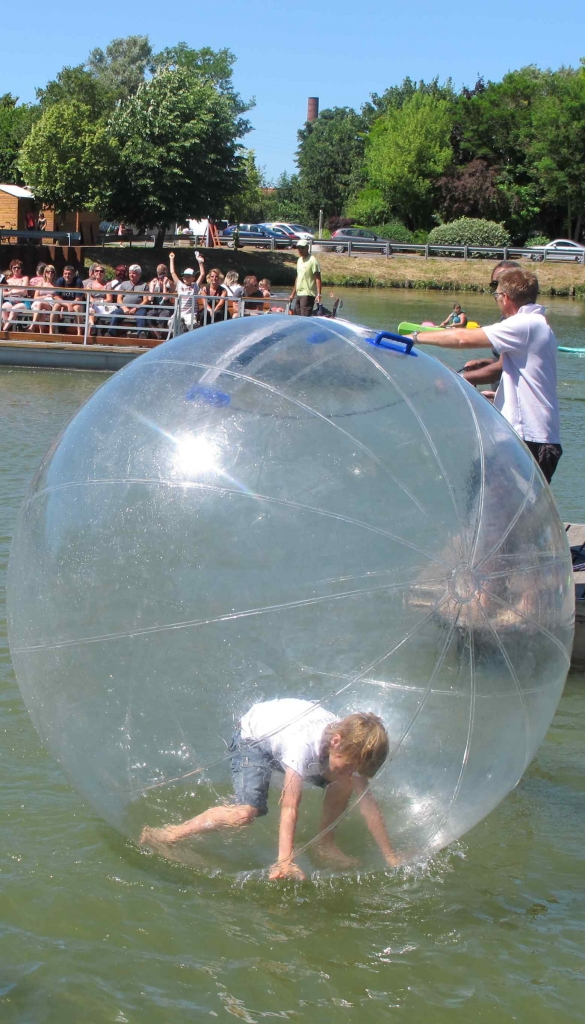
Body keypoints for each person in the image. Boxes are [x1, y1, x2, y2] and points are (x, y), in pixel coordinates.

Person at [140, 699, 400, 879]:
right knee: (245, 814)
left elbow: (367, 802)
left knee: (344, 783)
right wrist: (284, 859)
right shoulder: (302, 746)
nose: (350, 771)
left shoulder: (343, 746)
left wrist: (390, 855)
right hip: (255, 739)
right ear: (336, 742)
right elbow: (290, 805)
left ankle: (324, 844)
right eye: (349, 765)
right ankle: (171, 833)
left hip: (284, 731)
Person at [410, 269, 562, 482]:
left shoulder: (525, 324)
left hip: (529, 439)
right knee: (484, 493)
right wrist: (497, 395)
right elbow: (525, 376)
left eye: (496, 296)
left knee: (492, 502)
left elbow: (463, 338)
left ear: (505, 298)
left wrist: (415, 337)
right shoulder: (538, 324)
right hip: (530, 437)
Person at [462, 260, 521, 388]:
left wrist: (458, 379)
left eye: (505, 283)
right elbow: (509, 362)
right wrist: (481, 363)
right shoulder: (506, 318)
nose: (498, 289)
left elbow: (461, 338)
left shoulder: (521, 321)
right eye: (495, 284)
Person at [106, 264, 150, 338]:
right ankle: (110, 334)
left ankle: (141, 334)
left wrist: (135, 308)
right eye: (130, 273)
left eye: (134, 273)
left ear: (139, 274)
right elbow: (119, 299)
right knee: (116, 314)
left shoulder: (144, 285)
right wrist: (124, 308)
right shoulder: (124, 284)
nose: (131, 275)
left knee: (142, 315)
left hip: (138, 308)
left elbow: (145, 300)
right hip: (124, 308)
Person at [169, 251, 206, 330]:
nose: (185, 278)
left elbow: (202, 274)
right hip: (179, 311)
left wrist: (200, 262)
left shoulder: (195, 286)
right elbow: (172, 272)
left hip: (190, 313)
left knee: (191, 324)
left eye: (188, 276)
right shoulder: (179, 285)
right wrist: (171, 259)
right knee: (170, 323)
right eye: (184, 276)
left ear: (193, 277)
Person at [50, 265, 85, 336]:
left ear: (73, 274)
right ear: (63, 274)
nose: (67, 275)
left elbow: (78, 299)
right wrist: (67, 305)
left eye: (69, 274)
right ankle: (51, 332)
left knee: (77, 308)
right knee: (56, 306)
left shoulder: (78, 281)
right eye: (65, 273)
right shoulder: (60, 281)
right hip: (64, 304)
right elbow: (56, 297)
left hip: (75, 304)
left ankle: (79, 333)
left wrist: (70, 305)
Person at [290, 240, 321, 316]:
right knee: (296, 317)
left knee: (304, 317)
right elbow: (298, 277)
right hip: (299, 293)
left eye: (302, 248)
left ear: (307, 248)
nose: (300, 250)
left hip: (308, 294)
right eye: (298, 248)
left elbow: (318, 278)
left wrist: (319, 294)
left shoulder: (312, 260)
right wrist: (292, 294)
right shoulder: (299, 260)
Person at [1, 259, 31, 331]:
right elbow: (3, 293)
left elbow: (23, 291)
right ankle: (8, 329)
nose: (16, 269)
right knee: (4, 307)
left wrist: (11, 291)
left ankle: (4, 330)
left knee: (14, 309)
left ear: (21, 269)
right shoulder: (8, 280)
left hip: (23, 301)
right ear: (11, 268)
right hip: (11, 301)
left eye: (18, 267)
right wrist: (11, 293)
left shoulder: (25, 278)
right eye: (14, 267)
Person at [31, 265, 58, 333]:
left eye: (52, 272)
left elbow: (58, 297)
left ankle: (32, 326)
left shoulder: (56, 284)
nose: (50, 273)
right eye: (48, 272)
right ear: (45, 273)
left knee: (40, 305)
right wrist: (45, 296)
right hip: (39, 303)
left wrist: (52, 296)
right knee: (42, 310)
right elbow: (35, 297)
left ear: (54, 273)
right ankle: (41, 333)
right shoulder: (41, 283)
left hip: (50, 303)